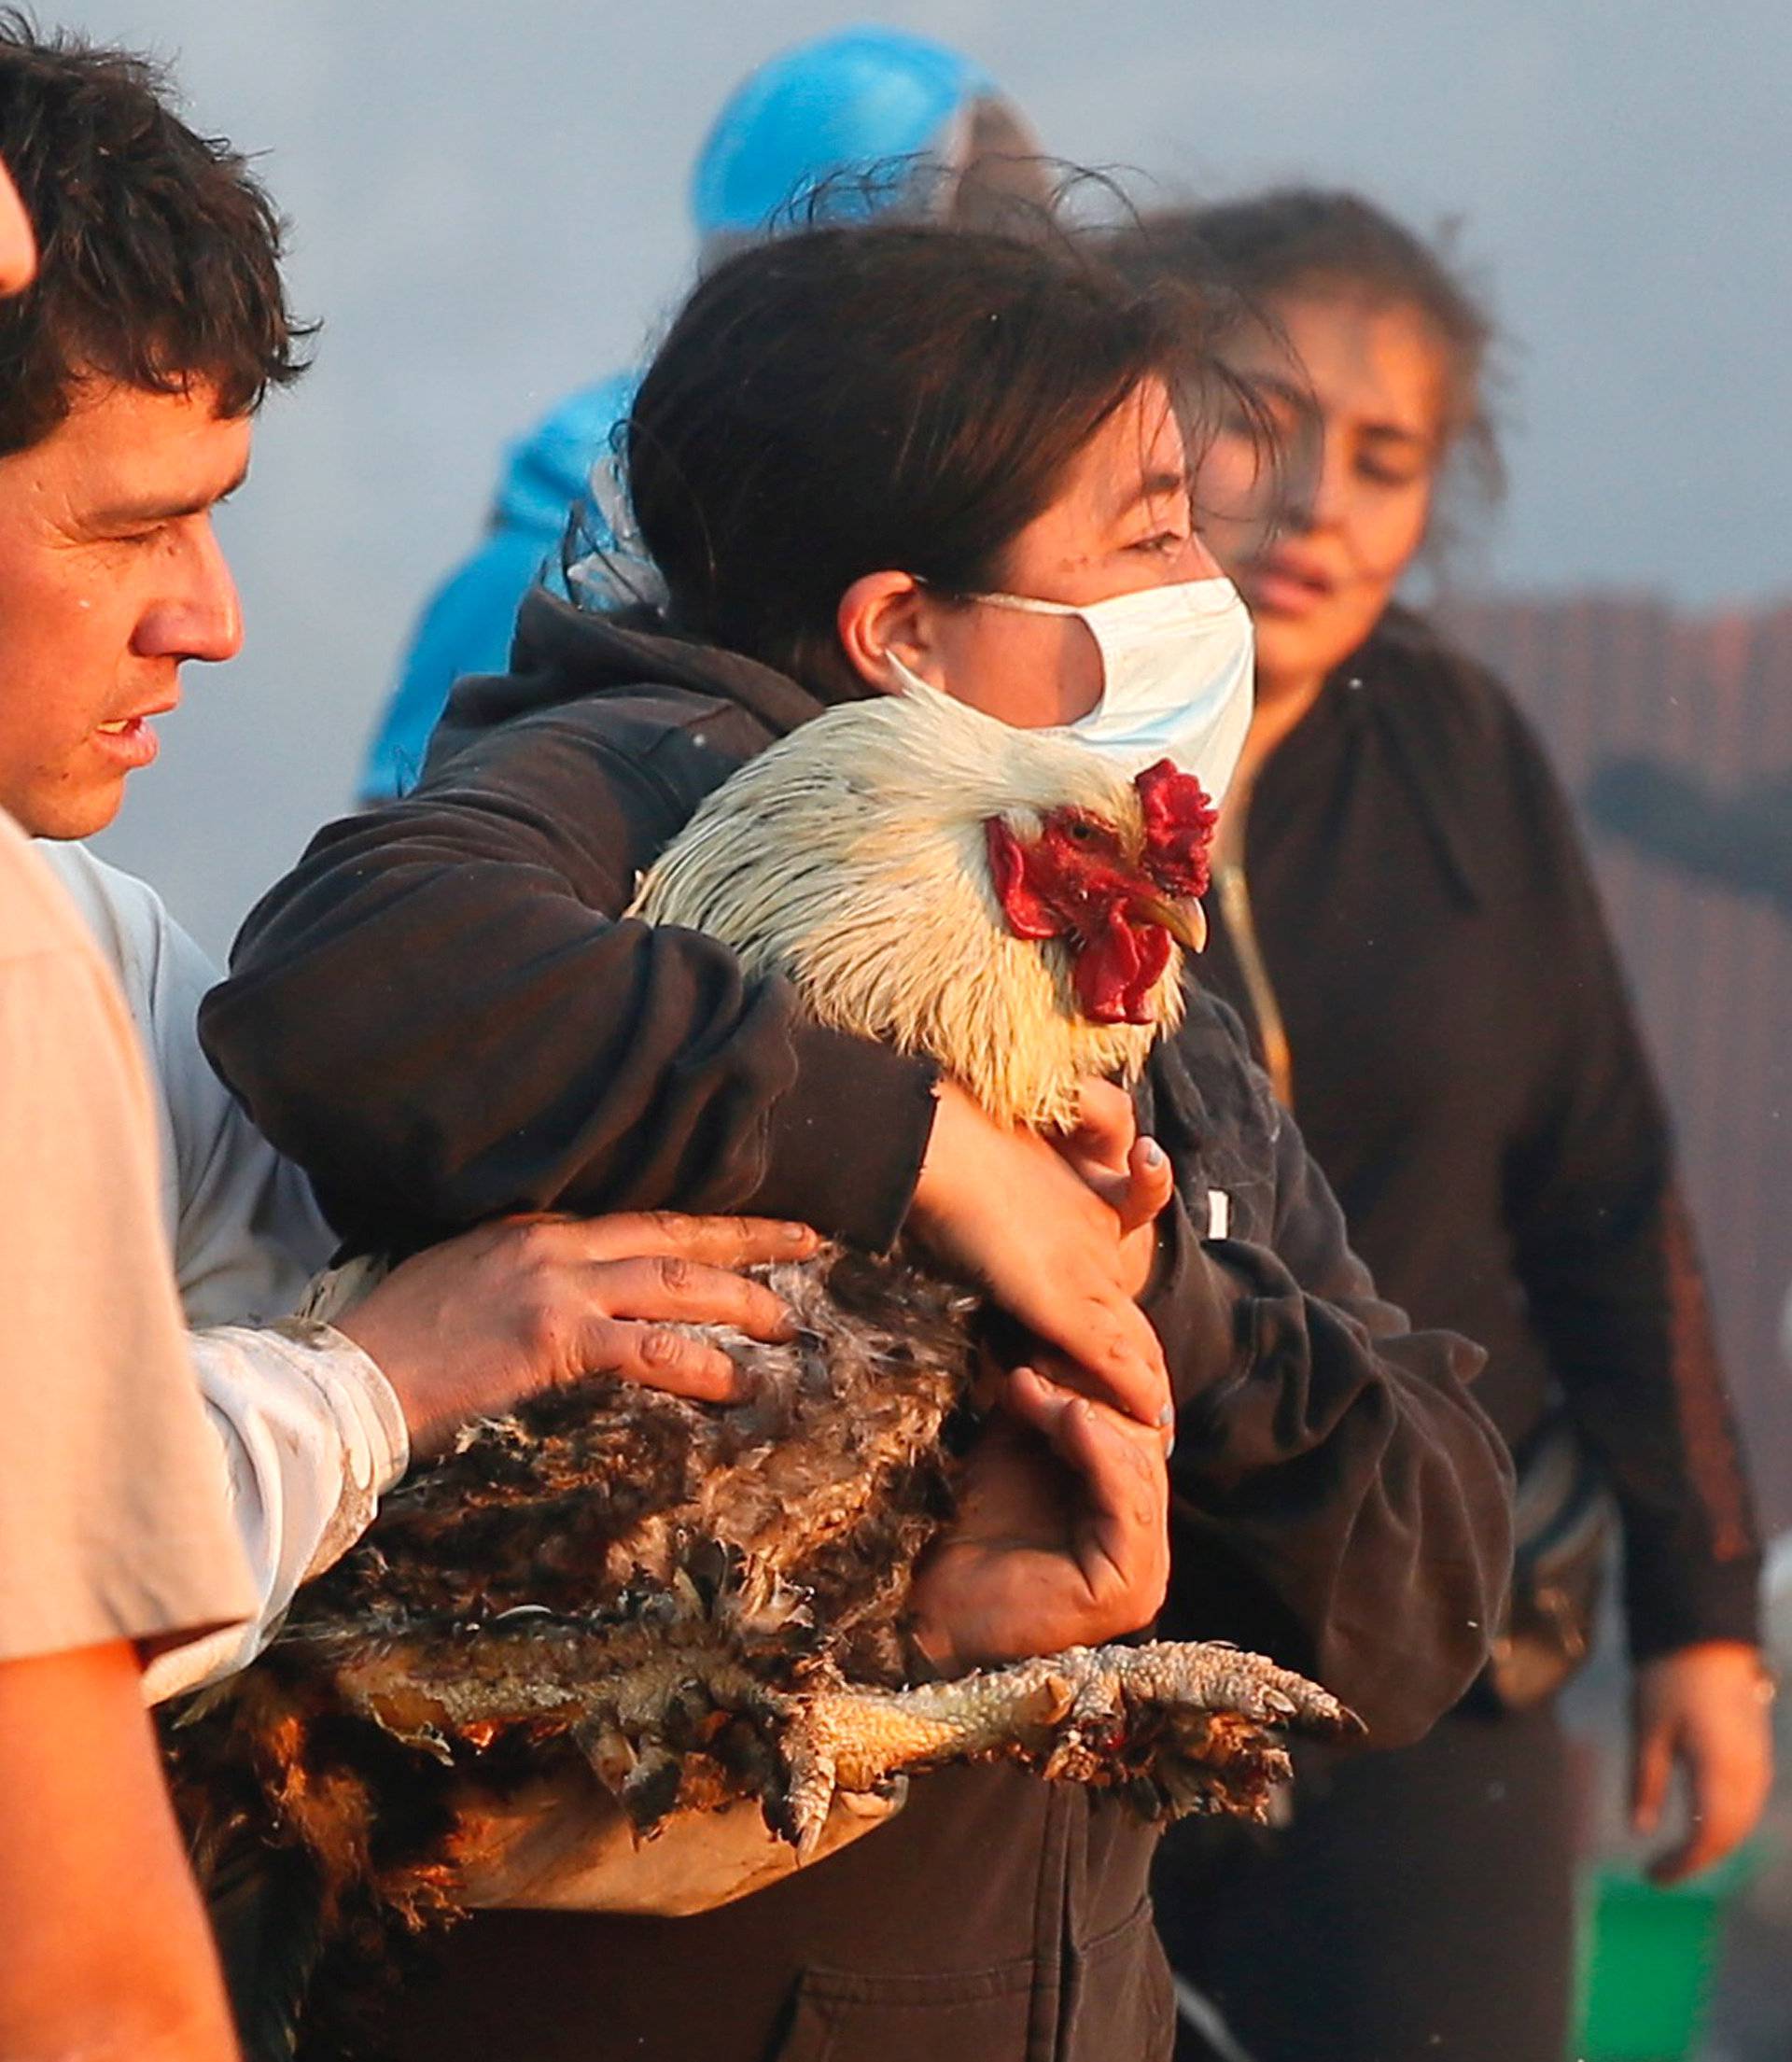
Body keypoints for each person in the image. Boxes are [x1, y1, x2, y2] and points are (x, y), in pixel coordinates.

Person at [202, 216, 1515, 2062]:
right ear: (902, 629)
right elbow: (349, 978)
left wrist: (1144, 1297)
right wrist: (927, 1155)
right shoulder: (639, 796)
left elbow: (1421, 1599)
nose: (1200, 587)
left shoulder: (1101, 942)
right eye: (1145, 535)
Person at [1111, 190, 1771, 2062]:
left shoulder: (1463, 754)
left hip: (1440, 1647)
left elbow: (1610, 1198)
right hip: (1080, 1643)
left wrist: (1702, 1615)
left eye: (1386, 457)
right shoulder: (1022, 755)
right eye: (1263, 422)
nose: (1321, 499)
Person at [358, 23, 1046, 801]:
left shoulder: (959, 533)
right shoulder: (579, 539)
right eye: (949, 270)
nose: (1003, 345)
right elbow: (396, 858)